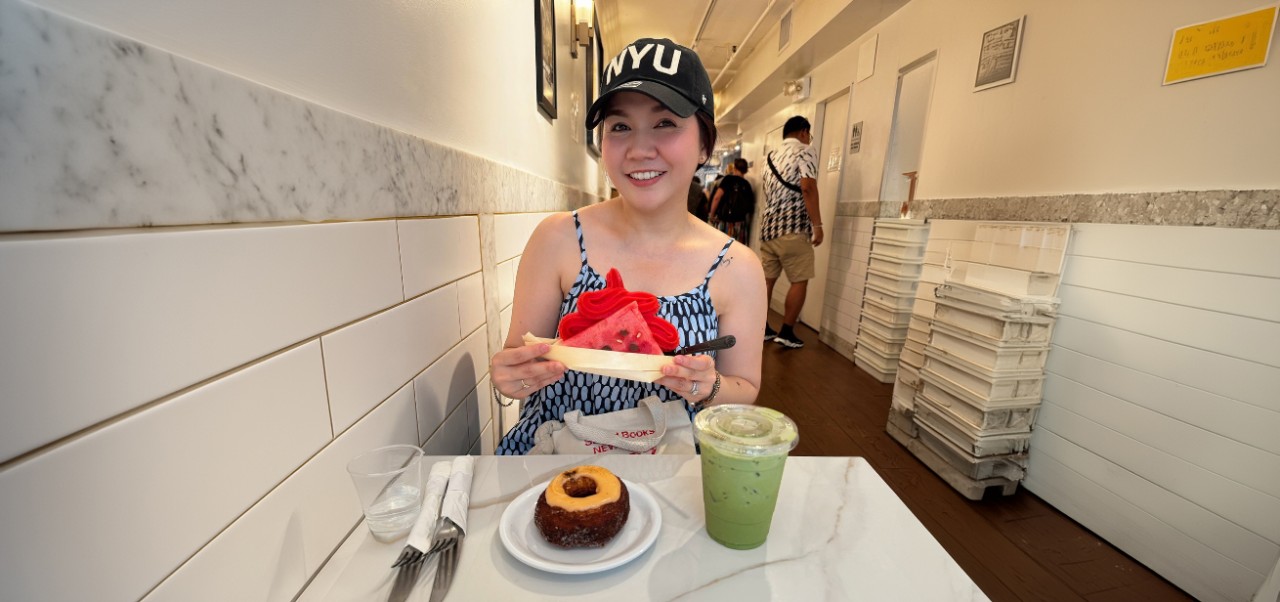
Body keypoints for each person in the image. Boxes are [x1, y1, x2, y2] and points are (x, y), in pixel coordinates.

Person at [491, 38, 767, 455]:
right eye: (620, 127)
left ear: (706, 145)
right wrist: (513, 377)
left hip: (674, 470)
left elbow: (744, 387)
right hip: (559, 460)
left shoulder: (736, 266)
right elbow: (520, 355)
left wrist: (708, 387)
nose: (639, 150)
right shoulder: (558, 238)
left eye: (665, 123)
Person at [759, 116, 821, 349]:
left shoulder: (769, 157)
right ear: (804, 132)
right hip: (793, 228)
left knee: (767, 281)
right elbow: (808, 187)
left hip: (768, 229)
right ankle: (786, 331)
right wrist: (818, 225)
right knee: (799, 280)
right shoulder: (806, 151)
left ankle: (761, 328)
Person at [708, 157, 754, 241]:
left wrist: (712, 215)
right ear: (745, 170)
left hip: (725, 221)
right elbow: (750, 208)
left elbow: (717, 197)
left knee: (723, 247)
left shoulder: (728, 179)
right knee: (736, 248)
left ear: (735, 168)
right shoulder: (747, 185)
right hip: (740, 224)